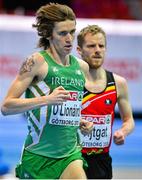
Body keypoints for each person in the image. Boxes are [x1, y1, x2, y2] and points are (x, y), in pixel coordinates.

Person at [1, 3, 93, 179]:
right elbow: (6, 107)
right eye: (62, 33)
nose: (69, 39)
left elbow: (65, 109)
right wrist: (47, 99)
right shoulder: (36, 62)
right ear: (49, 34)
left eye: (72, 32)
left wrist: (80, 120)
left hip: (70, 155)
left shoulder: (82, 67)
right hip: (38, 157)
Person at [77, 25, 135, 179]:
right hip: (73, 159)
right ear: (79, 50)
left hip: (102, 161)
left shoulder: (118, 83)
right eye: (91, 46)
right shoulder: (71, 82)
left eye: (101, 46)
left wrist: (123, 132)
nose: (97, 50)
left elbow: (129, 120)